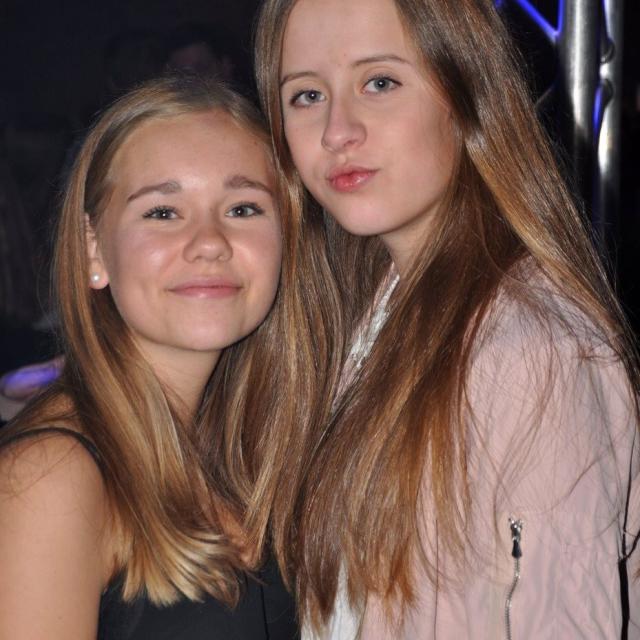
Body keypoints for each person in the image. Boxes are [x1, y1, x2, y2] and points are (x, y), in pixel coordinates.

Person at [253, 0, 640, 637]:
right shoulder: (367, 310)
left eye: (380, 82)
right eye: (306, 95)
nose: (336, 131)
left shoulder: (527, 350)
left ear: (465, 95)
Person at [0, 75, 300, 639]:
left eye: (243, 208)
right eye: (163, 212)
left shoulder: (253, 450)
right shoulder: (51, 477)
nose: (209, 242)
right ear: (94, 248)